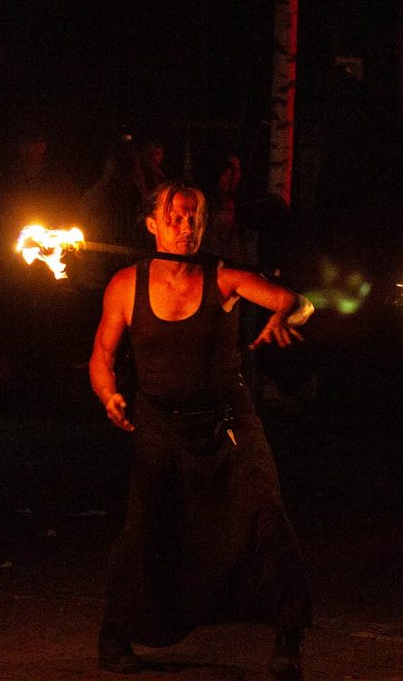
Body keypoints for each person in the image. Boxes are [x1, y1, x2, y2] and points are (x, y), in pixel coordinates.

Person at [88, 182, 312, 678]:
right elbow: (102, 356)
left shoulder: (225, 278)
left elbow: (297, 302)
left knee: (267, 513)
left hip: (228, 421)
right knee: (143, 527)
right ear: (152, 225)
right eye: (175, 219)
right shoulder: (126, 284)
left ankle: (289, 638)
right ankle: (114, 634)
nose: (186, 228)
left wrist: (287, 314)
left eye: (194, 220)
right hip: (158, 423)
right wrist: (109, 396)